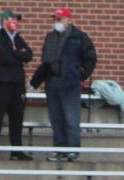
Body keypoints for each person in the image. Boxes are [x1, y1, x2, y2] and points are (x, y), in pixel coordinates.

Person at [31, 8, 97, 162]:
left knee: (71, 118)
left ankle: (72, 149)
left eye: (59, 19)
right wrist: (36, 81)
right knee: (56, 119)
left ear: (68, 20)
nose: (56, 22)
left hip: (70, 83)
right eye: (55, 19)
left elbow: (90, 58)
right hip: (52, 82)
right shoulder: (50, 37)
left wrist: (80, 75)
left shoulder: (79, 37)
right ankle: (60, 149)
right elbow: (46, 62)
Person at [0, 11, 32, 161]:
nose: (14, 22)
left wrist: (15, 54)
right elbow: (1, 56)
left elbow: (28, 55)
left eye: (16, 19)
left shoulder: (18, 38)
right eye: (12, 19)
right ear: (4, 20)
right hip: (1, 82)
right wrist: (18, 56)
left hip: (17, 83)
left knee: (17, 117)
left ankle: (16, 150)